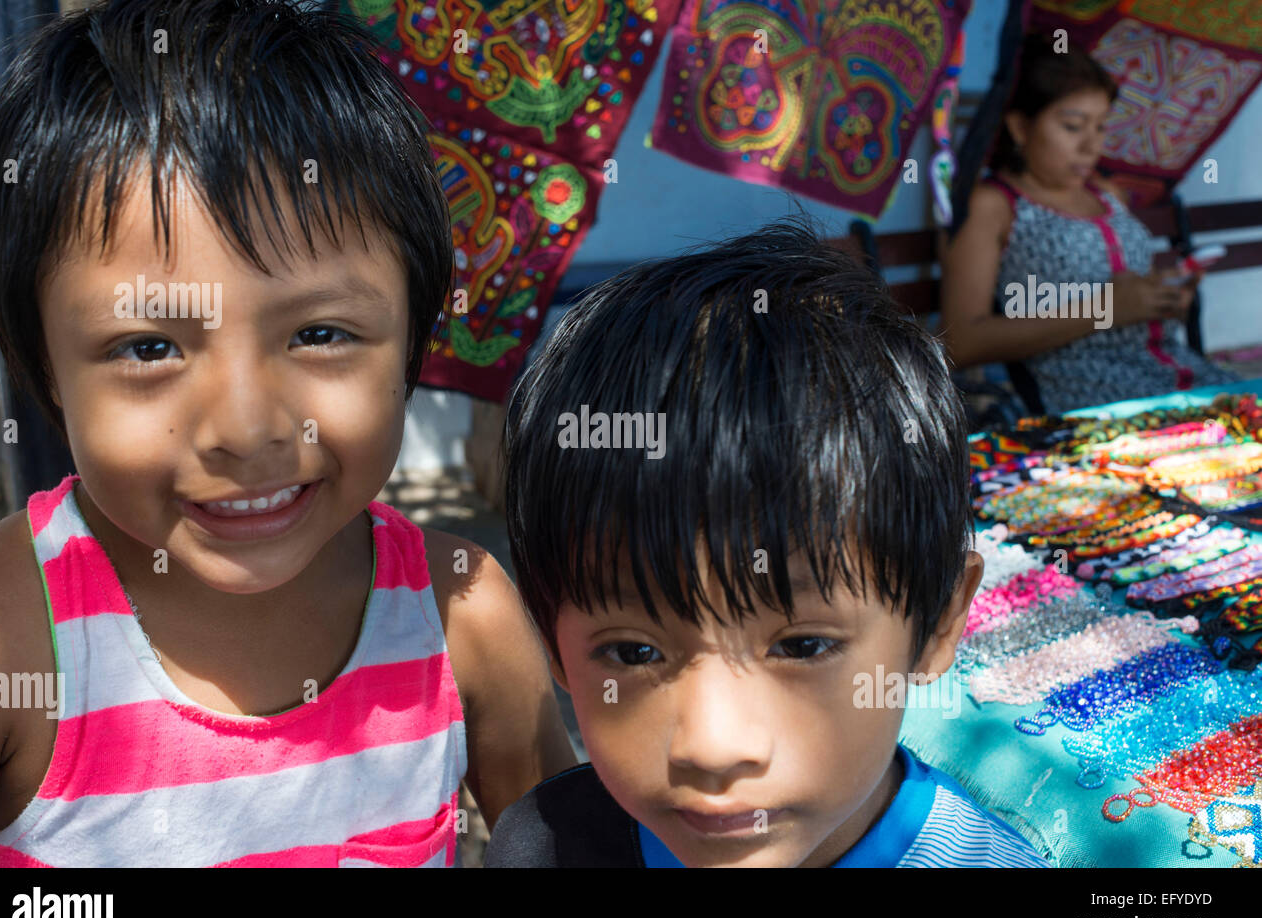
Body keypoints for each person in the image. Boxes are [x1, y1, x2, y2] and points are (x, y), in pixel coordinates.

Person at [0, 0, 574, 867]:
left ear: (414, 340)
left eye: (319, 334)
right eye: (148, 346)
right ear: (42, 366)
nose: (246, 429)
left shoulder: (461, 618)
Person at [485, 217, 1049, 867]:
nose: (714, 746)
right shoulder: (549, 845)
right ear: (553, 640)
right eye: (633, 650)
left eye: (803, 644)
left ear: (940, 621)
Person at [940, 34, 1236, 414]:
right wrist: (1104, 310)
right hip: (1100, 402)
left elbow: (1127, 294)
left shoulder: (1108, 194)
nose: (1091, 146)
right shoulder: (994, 206)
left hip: (1183, 378)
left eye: (1099, 126)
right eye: (1073, 126)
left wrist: (1164, 296)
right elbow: (960, 343)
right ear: (1019, 127)